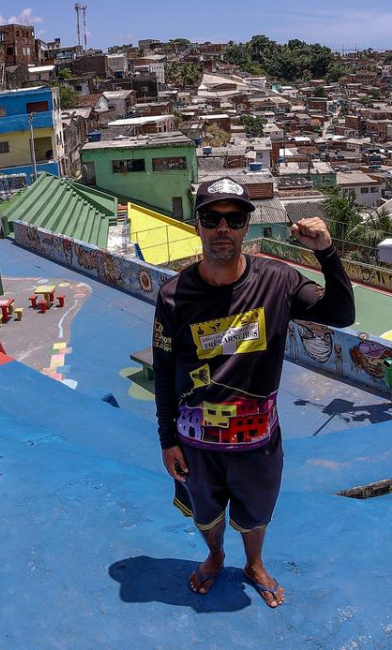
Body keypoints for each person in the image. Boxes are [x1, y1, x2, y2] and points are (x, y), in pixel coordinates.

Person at [152, 177, 355, 608]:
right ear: (198, 224)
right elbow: (166, 370)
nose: (222, 228)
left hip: (257, 441)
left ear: (247, 226)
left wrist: (326, 252)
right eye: (212, 217)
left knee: (256, 513)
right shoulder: (173, 296)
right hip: (196, 444)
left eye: (234, 218)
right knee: (206, 515)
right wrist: (167, 440)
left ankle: (253, 562)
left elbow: (341, 313)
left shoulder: (278, 281)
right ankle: (215, 555)